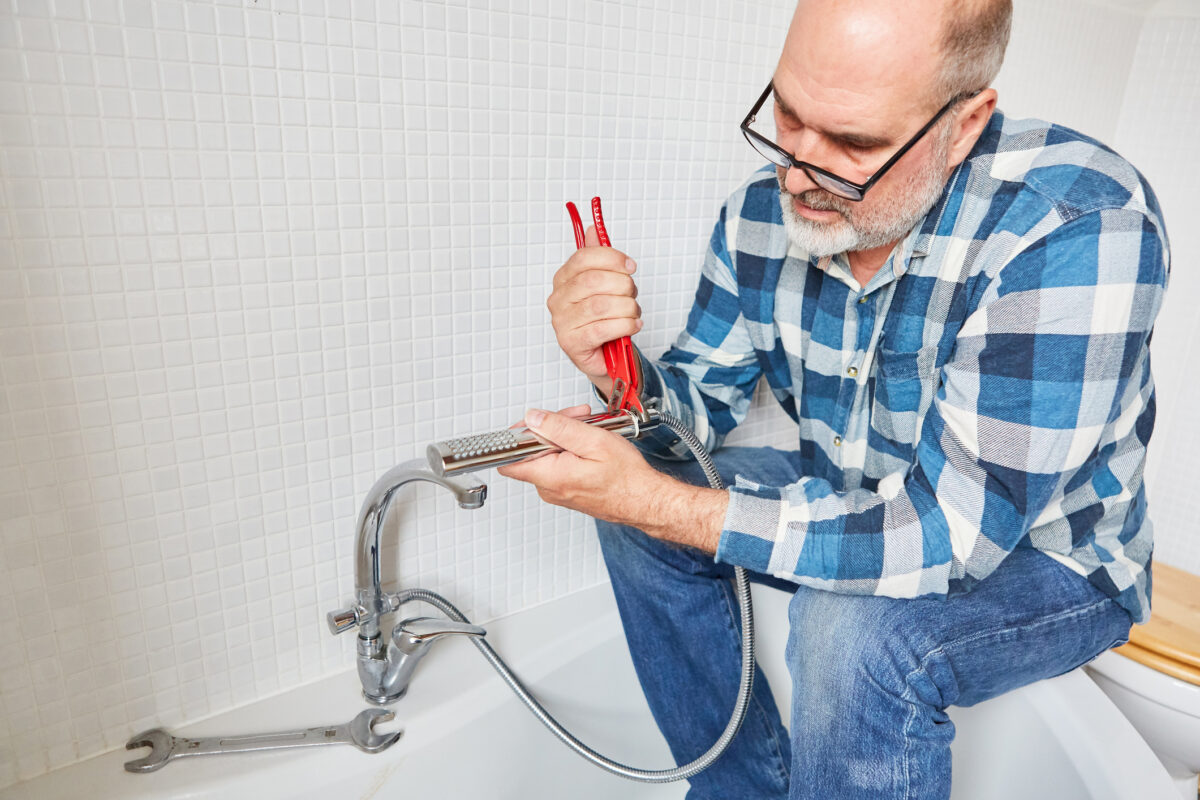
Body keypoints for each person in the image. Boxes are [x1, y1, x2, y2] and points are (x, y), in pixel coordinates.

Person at [498, 0, 1170, 796]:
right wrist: (613, 370)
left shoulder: (1079, 225)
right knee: (643, 514)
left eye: (852, 144)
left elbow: (949, 535)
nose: (793, 172)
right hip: (863, 497)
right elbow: (694, 424)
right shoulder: (759, 211)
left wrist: (661, 503)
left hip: (1050, 560)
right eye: (787, 113)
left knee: (848, 632)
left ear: (964, 124)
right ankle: (742, 791)